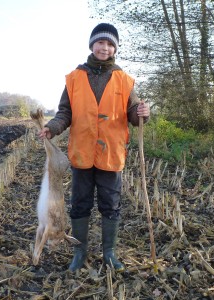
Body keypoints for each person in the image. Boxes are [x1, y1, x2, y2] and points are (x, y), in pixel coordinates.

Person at [38, 23, 150, 272]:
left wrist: (143, 113)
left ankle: (109, 253)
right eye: (101, 42)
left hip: (111, 153)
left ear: (115, 49)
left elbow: (134, 115)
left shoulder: (125, 80)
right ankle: (80, 253)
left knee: (110, 204)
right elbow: (64, 113)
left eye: (110, 44)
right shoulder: (75, 78)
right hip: (82, 153)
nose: (105, 47)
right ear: (92, 45)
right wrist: (52, 128)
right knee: (80, 204)